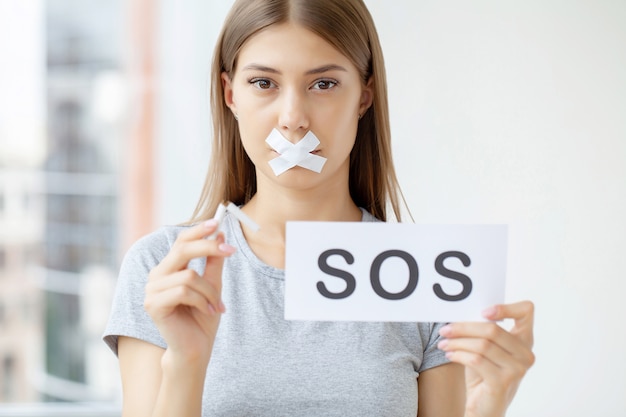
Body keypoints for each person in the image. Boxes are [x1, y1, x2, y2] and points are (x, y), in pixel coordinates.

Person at [103, 0, 535, 416]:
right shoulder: (164, 270)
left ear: (364, 96)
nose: (293, 118)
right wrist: (186, 363)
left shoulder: (427, 277)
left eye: (323, 84)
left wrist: (485, 409)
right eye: (263, 83)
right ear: (230, 93)